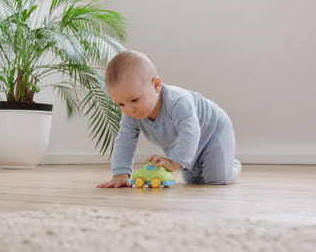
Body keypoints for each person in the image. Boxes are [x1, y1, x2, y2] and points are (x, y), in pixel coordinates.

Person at [97, 50, 241, 188]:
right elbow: (125, 141)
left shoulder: (178, 102)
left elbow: (190, 133)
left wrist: (174, 161)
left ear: (156, 85)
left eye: (135, 99)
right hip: (185, 143)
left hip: (212, 130)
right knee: (194, 179)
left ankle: (232, 166)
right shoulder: (131, 113)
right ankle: (200, 165)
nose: (129, 109)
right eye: (120, 104)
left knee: (216, 178)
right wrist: (120, 173)